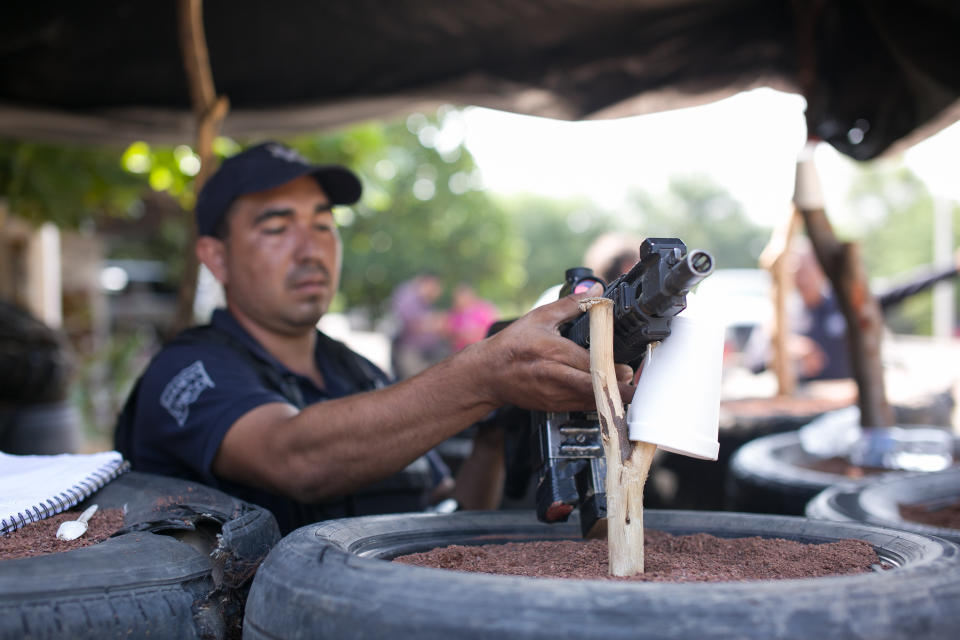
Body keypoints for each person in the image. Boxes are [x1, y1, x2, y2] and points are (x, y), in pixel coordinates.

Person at [114, 142, 635, 533]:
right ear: (216, 256)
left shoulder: (356, 371)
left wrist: (493, 432)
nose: (310, 249)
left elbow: (447, 510)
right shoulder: (188, 371)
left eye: (323, 225)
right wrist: (483, 375)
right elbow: (295, 457)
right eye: (277, 228)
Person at [766, 237, 960, 382]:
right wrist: (785, 346)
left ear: (820, 269)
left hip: (848, 404)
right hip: (805, 403)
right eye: (796, 271)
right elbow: (754, 359)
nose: (802, 277)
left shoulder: (847, 303)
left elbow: (903, 288)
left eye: (806, 269)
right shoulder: (784, 315)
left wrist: (952, 268)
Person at [389, 272, 450, 379]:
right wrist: (433, 323)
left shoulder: (424, 301)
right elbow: (409, 322)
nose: (438, 292)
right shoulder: (408, 296)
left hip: (425, 351)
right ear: (429, 283)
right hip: (410, 351)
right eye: (436, 287)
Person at [447, 284, 498, 352]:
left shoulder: (483, 309)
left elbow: (491, 327)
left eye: (463, 296)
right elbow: (449, 332)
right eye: (458, 298)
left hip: (482, 348)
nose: (461, 300)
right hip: (460, 351)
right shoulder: (454, 313)